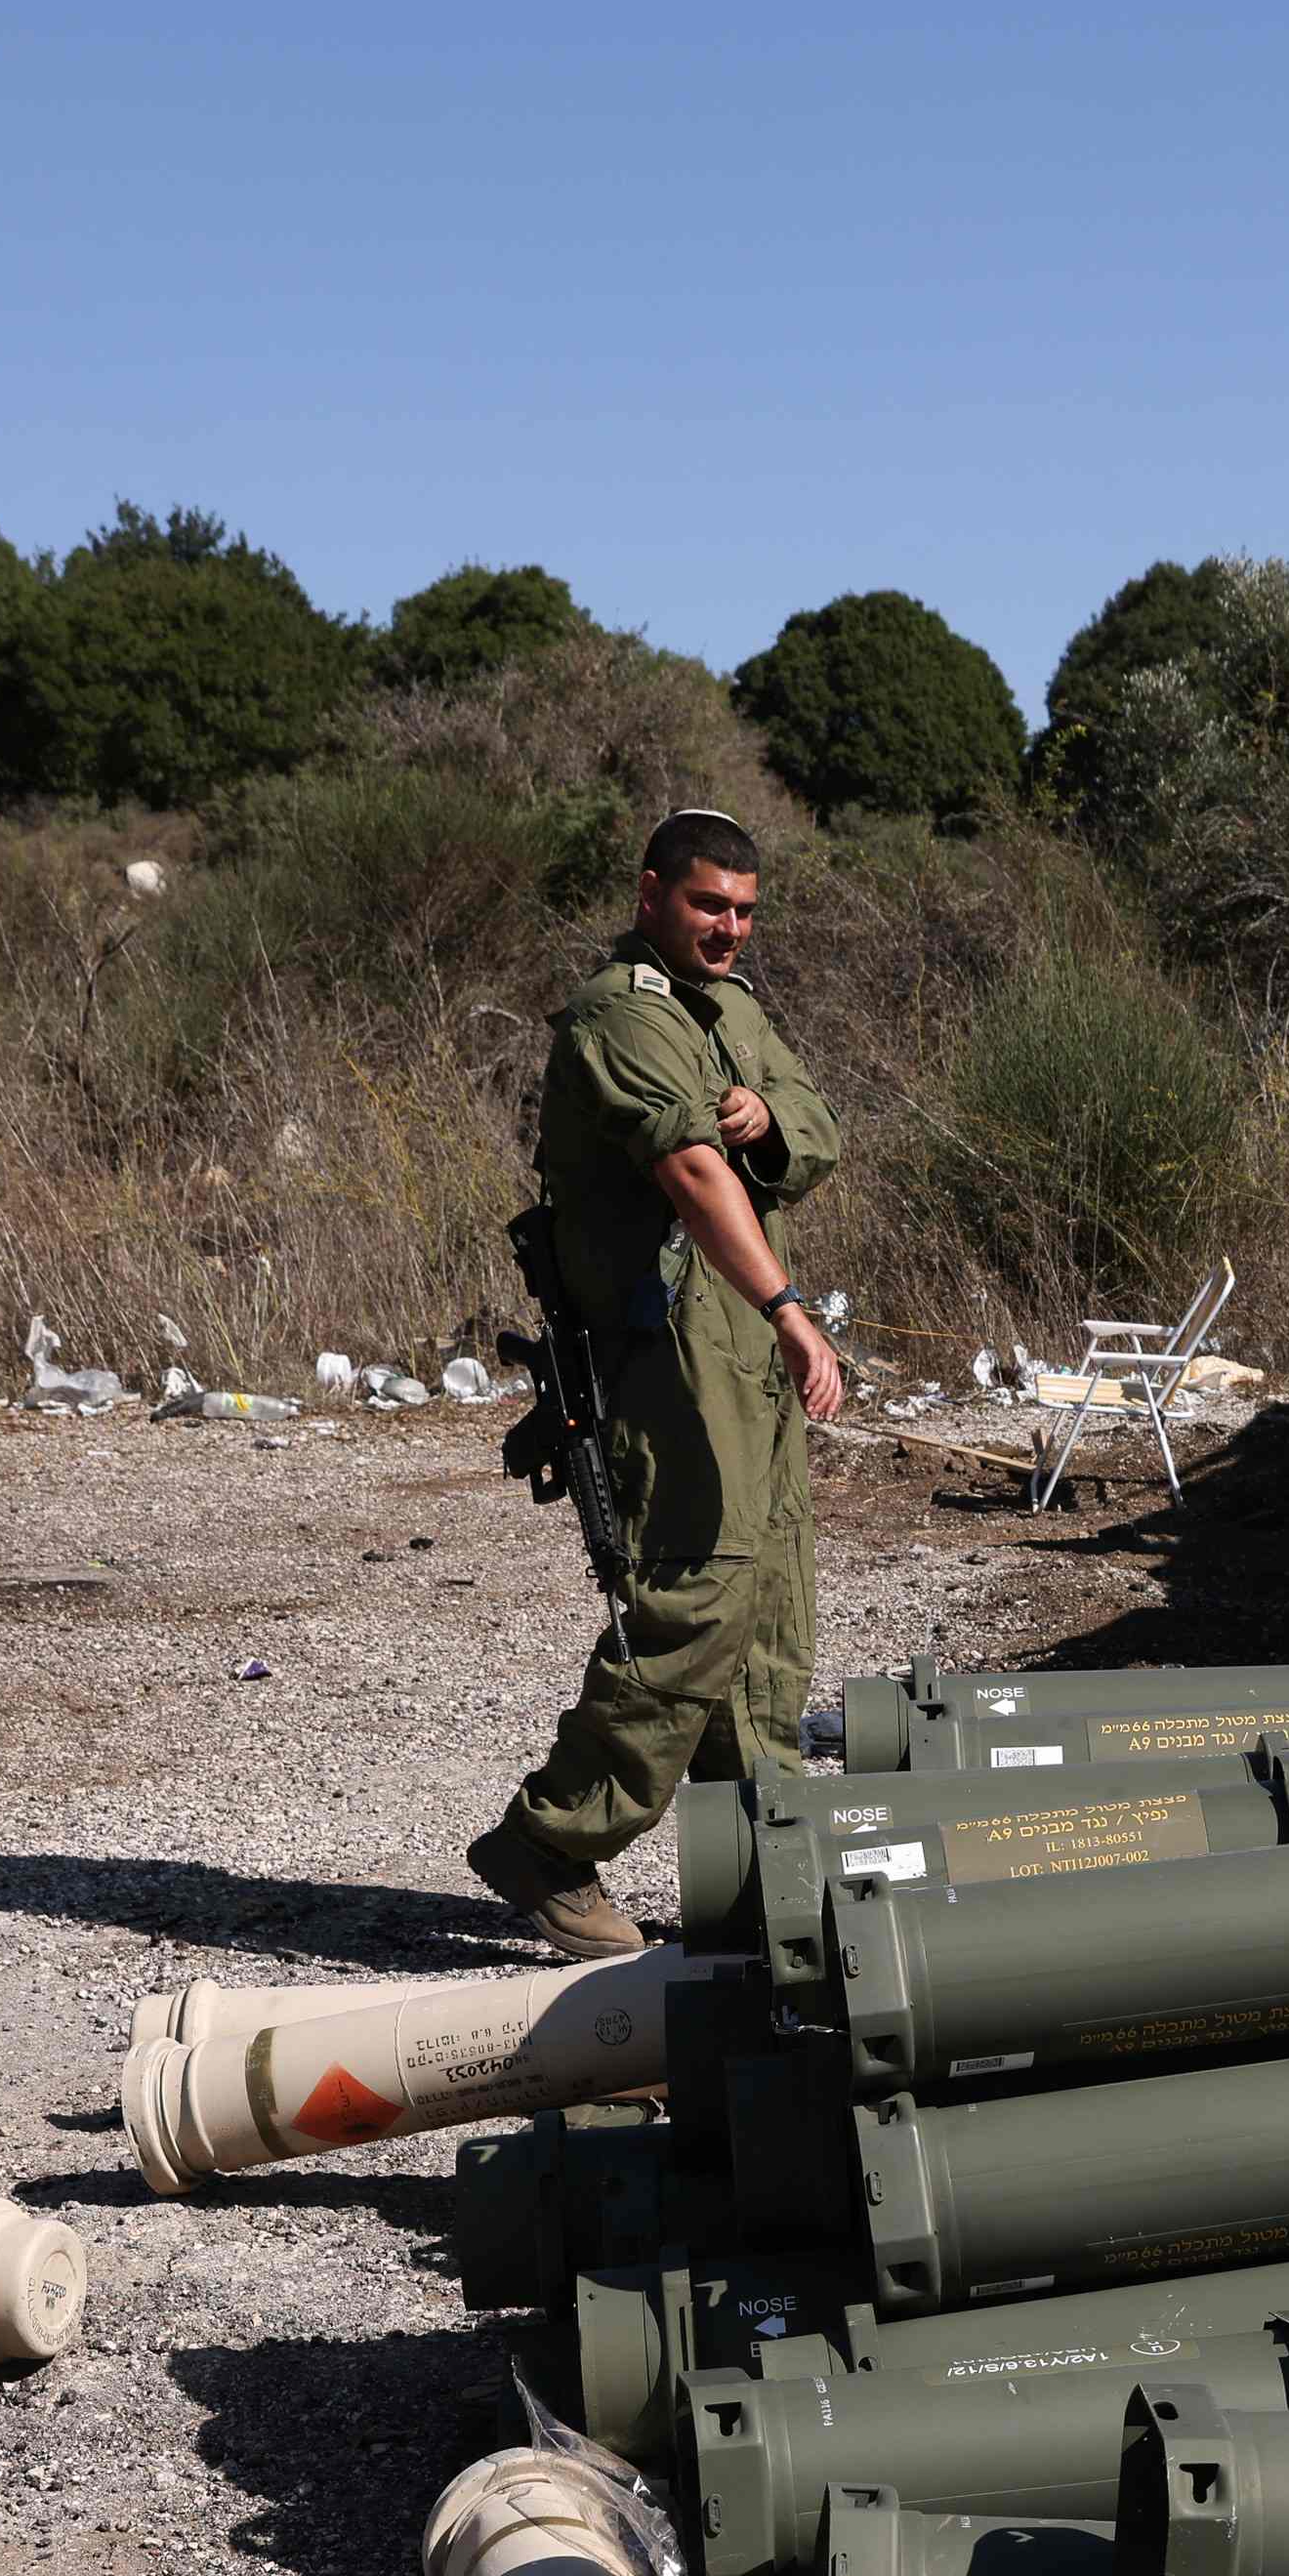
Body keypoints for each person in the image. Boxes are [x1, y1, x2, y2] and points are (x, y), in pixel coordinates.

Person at [469, 809, 849, 1956]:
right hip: (671, 1342)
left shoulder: (730, 1009)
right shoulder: (618, 1013)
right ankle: (552, 1841)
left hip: (740, 1346)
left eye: (743, 911)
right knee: (703, 1588)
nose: (728, 928)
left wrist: (770, 1115)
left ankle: (760, 1873)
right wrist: (788, 1308)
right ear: (651, 896)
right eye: (707, 906)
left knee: (770, 1599)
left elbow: (821, 1130)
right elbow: (689, 1168)